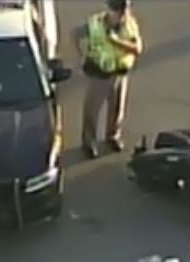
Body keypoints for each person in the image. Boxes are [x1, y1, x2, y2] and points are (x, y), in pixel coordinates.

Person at [73, 0, 143, 159]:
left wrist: (115, 41)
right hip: (100, 75)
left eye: (125, 9)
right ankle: (88, 142)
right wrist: (81, 57)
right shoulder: (95, 24)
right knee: (92, 111)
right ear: (111, 9)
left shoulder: (129, 25)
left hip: (120, 73)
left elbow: (137, 48)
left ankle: (113, 136)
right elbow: (75, 35)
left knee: (117, 108)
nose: (123, 14)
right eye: (119, 10)